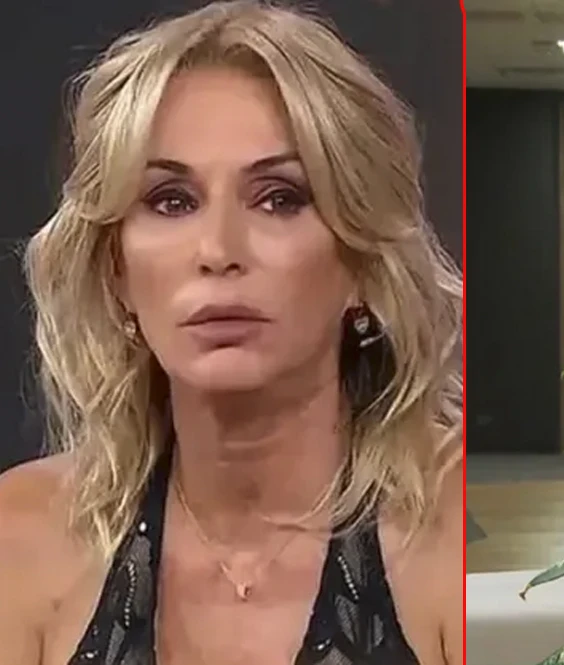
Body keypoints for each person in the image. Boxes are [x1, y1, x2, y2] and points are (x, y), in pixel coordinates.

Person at [0, 2, 463, 664]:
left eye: (279, 198)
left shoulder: (443, 533)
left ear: (363, 262)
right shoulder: (20, 538)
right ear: (115, 269)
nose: (218, 251)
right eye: (171, 200)